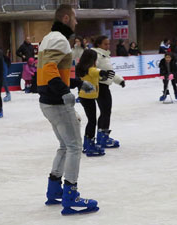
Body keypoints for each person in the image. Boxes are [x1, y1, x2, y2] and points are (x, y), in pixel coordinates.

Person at [37, 4, 99, 215]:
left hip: (47, 102)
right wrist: (65, 92)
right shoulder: (59, 39)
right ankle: (71, 195)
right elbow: (49, 70)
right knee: (74, 146)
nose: (77, 22)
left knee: (64, 145)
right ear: (65, 18)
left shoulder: (48, 38)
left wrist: (77, 83)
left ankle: (54, 189)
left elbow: (53, 71)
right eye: (74, 18)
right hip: (57, 103)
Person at [76, 49, 114, 156]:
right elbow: (96, 72)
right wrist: (103, 72)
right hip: (88, 98)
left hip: (86, 97)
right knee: (92, 121)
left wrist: (103, 75)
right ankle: (89, 144)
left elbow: (95, 75)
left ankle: (88, 143)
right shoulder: (90, 69)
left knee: (91, 120)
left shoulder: (82, 68)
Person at [92, 36, 125, 149]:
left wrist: (119, 80)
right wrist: (101, 77)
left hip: (105, 86)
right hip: (99, 86)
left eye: (108, 44)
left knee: (106, 111)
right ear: (99, 44)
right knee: (105, 111)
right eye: (105, 44)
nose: (108, 46)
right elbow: (91, 70)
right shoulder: (96, 55)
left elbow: (110, 73)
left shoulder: (104, 55)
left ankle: (103, 135)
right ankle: (102, 137)